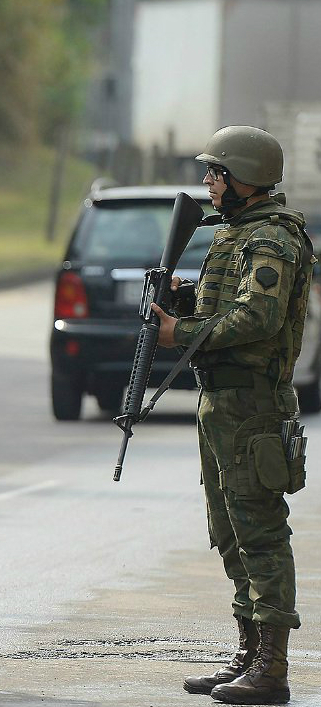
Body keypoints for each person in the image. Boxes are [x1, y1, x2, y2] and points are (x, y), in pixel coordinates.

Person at [153, 125, 312, 705]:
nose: (208, 183)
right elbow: (225, 304)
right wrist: (180, 297)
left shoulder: (270, 239)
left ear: (244, 178)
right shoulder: (239, 235)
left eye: (216, 173)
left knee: (260, 532)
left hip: (252, 406)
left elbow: (257, 319)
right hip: (223, 404)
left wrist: (181, 332)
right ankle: (248, 653)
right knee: (230, 532)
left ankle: (272, 669)